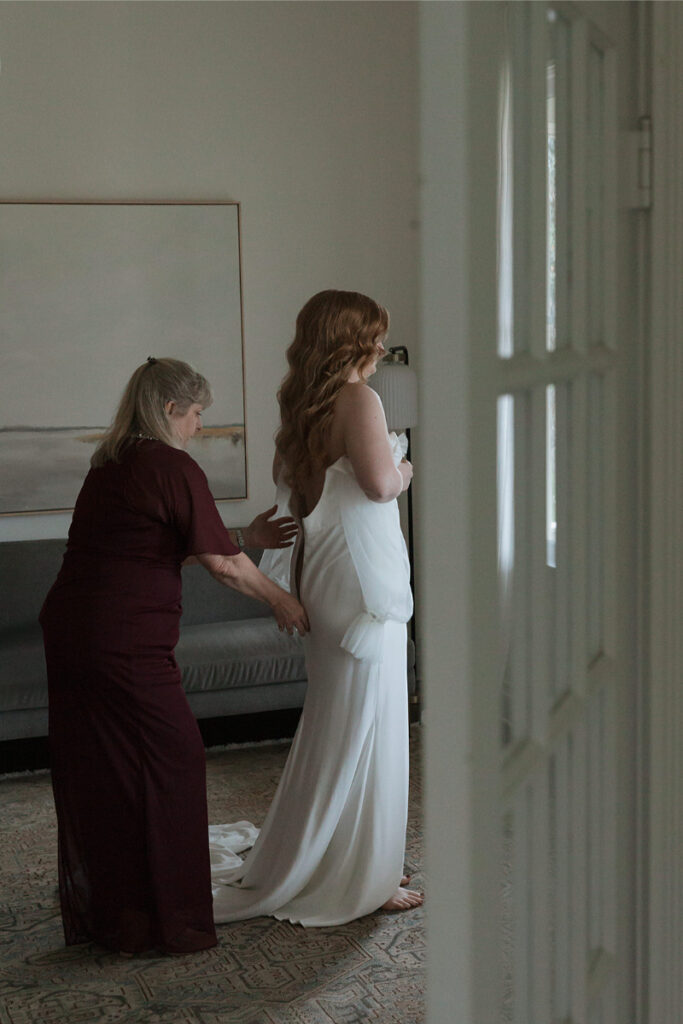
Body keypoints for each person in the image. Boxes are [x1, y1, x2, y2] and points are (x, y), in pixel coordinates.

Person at [40, 357, 309, 956]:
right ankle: (168, 916)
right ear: (169, 410)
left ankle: (121, 906)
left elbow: (160, 547)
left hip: (73, 629)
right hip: (121, 641)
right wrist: (281, 600)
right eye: (196, 415)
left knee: (106, 769)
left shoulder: (109, 464)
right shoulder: (171, 464)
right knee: (175, 759)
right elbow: (220, 566)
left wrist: (247, 540)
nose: (198, 427)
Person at [210, 289, 423, 925]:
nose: (383, 347)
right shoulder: (358, 398)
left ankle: (356, 856)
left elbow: (301, 502)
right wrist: (406, 464)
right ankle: (363, 873)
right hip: (360, 585)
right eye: (376, 335)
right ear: (351, 340)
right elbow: (381, 484)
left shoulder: (300, 404)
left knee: (344, 721)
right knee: (369, 724)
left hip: (328, 575)